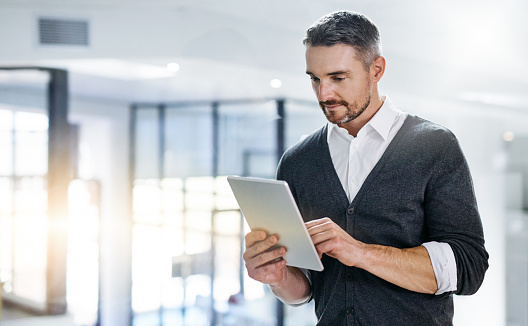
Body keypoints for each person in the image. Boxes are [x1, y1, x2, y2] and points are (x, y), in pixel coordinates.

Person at [242, 10, 489, 325]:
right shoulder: (298, 162)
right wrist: (277, 276)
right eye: (315, 79)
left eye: (338, 77)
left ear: (376, 69)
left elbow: (469, 267)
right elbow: (306, 288)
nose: (323, 94)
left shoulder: (434, 146)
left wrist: (360, 253)